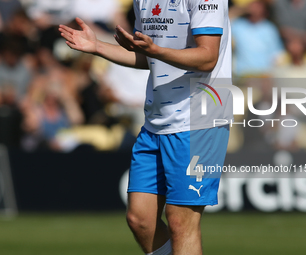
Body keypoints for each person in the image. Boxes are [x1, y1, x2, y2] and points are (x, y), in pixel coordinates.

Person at [59, 0, 232, 254]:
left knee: (180, 221)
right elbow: (147, 56)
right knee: (141, 220)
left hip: (199, 120)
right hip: (156, 121)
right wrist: (97, 46)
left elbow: (207, 57)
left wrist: (156, 50)